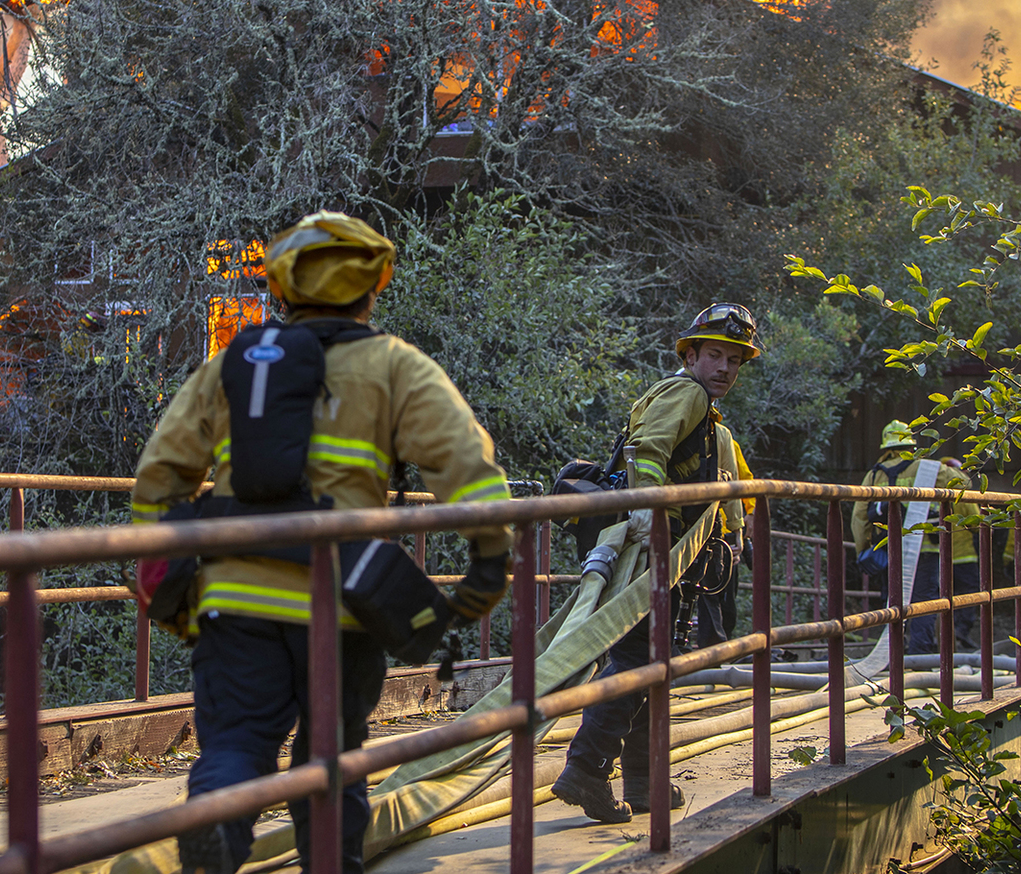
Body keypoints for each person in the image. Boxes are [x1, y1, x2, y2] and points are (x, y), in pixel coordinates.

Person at [128, 212, 515, 874]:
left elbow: (158, 477)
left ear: (281, 289)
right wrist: (489, 562)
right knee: (333, 754)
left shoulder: (231, 366)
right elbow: (462, 461)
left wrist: (168, 585)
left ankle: (217, 822)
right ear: (375, 287)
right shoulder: (395, 366)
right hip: (341, 603)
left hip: (233, 600)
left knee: (238, 742)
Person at [552, 303, 759, 824]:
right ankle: (586, 771)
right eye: (714, 355)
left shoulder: (710, 419)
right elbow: (647, 451)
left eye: (735, 360)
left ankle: (643, 781)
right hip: (648, 553)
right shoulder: (685, 392)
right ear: (689, 355)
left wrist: (734, 540)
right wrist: (649, 515)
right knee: (639, 661)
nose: (725, 369)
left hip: (669, 557)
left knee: (653, 666)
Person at [849, 422, 979, 654]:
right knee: (924, 602)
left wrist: (864, 549)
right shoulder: (929, 468)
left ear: (886, 445)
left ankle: (893, 654)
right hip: (924, 548)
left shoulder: (874, 474)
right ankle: (920, 656)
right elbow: (965, 484)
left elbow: (859, 516)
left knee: (893, 601)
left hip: (888, 550)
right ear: (911, 443)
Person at [695, 438, 752, 649]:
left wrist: (750, 515)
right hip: (699, 529)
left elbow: (742, 480)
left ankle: (721, 646)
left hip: (724, 530)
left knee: (727, 598)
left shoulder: (724, 439)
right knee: (706, 593)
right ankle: (712, 651)